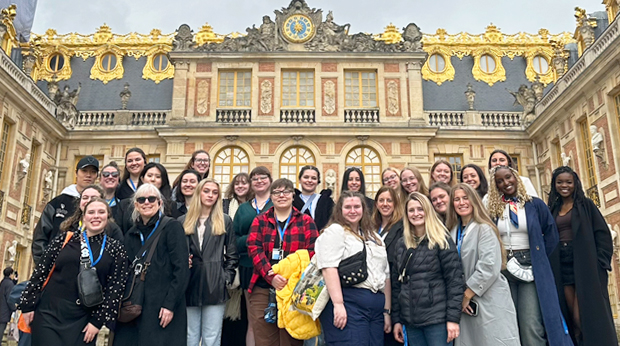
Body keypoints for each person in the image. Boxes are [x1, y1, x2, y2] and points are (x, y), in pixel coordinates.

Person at [20, 197, 128, 346]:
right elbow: (40, 272)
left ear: (107, 217)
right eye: (91, 212)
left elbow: (115, 288)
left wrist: (97, 322)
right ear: (84, 217)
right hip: (49, 313)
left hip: (83, 319)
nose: (96, 216)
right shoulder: (64, 240)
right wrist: (27, 305)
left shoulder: (116, 249)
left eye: (101, 212)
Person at [487, 165, 573, 346]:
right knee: (509, 323)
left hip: (529, 268)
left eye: (508, 177)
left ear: (516, 177)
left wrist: (539, 257)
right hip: (503, 269)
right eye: (500, 181)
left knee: (530, 323)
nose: (506, 183)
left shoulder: (535, 204)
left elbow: (551, 234)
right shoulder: (493, 208)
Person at [547, 166, 617, 346]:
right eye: (560, 182)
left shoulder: (586, 205)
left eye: (568, 182)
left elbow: (602, 234)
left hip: (585, 264)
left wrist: (601, 264)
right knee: (570, 316)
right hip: (562, 265)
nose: (564, 186)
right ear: (554, 185)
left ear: (575, 183)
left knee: (582, 316)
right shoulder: (553, 209)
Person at [114, 184, 189, 346]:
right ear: (136, 205)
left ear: (160, 203)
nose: (146, 202)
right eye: (141, 199)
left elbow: (181, 269)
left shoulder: (172, 227)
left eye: (151, 199)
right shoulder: (131, 234)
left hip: (163, 305)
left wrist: (170, 305)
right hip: (136, 305)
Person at [247, 178, 319, 346]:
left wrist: (288, 275)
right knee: (264, 339)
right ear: (271, 196)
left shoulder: (306, 221)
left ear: (293, 196)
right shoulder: (260, 220)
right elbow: (253, 247)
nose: (282, 196)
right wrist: (270, 276)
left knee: (291, 339)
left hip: (294, 290)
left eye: (286, 192)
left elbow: (312, 251)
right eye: (277, 192)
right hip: (263, 288)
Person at [446, 184, 520, 346]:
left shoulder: (484, 229)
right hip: (465, 302)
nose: (461, 203)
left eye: (465, 198)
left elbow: (488, 266)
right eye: (456, 199)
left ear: (474, 200)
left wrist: (466, 295)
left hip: (487, 297)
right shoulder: (452, 231)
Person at [315, 191, 391, 346]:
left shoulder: (374, 237)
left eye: (357, 206)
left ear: (364, 209)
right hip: (349, 304)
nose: (353, 210)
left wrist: (386, 311)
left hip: (375, 310)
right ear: (339, 210)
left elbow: (386, 275)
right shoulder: (335, 232)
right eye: (347, 207)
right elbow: (329, 268)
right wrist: (338, 304)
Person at [391, 192, 463, 346]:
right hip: (411, 322)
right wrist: (397, 320)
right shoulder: (401, 244)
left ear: (428, 211)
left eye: (420, 209)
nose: (416, 214)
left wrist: (453, 319)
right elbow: (397, 285)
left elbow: (455, 281)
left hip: (437, 320)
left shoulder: (441, 240)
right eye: (411, 210)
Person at [181, 179, 239, 346]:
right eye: (207, 191)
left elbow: (232, 254)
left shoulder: (225, 220)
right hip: (190, 283)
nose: (210, 195)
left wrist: (225, 277)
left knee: (212, 337)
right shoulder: (183, 221)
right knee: (190, 336)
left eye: (215, 193)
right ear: (199, 193)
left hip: (215, 283)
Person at [32, 155, 99, 264]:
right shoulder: (57, 203)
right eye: (84, 171)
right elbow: (40, 237)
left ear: (97, 176)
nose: (88, 175)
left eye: (92, 172)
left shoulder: (101, 206)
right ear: (76, 173)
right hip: (56, 267)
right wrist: (43, 265)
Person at [233, 166, 273, 346]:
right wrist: (253, 240)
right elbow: (234, 240)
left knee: (274, 321)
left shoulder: (277, 203)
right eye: (255, 179)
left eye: (263, 177)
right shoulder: (243, 209)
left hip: (275, 268)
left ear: (270, 180)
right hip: (249, 267)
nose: (259, 181)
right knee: (254, 321)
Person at [221, 172, 252, 346]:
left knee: (245, 315)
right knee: (225, 316)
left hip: (247, 262)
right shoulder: (225, 205)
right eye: (237, 183)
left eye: (244, 183)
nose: (240, 186)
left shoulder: (253, 206)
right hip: (228, 260)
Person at [372, 186, 403, 346]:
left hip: (396, 291)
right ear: (376, 204)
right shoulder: (370, 227)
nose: (385, 204)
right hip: (374, 293)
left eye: (389, 200)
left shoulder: (403, 227)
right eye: (381, 200)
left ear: (395, 203)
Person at [118, 162, 173, 233]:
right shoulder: (125, 205)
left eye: (158, 177)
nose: (153, 179)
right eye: (149, 176)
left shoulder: (171, 205)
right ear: (142, 179)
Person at [293, 165, 335, 231]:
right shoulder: (292, 201)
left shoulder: (327, 201)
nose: (309, 180)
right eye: (306, 177)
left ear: (318, 182)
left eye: (313, 178)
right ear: (299, 180)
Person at [0, 267, 15, 339]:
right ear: (10, 274)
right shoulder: (9, 284)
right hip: (4, 312)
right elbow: (10, 298)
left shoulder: (3, 282)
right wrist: (14, 308)